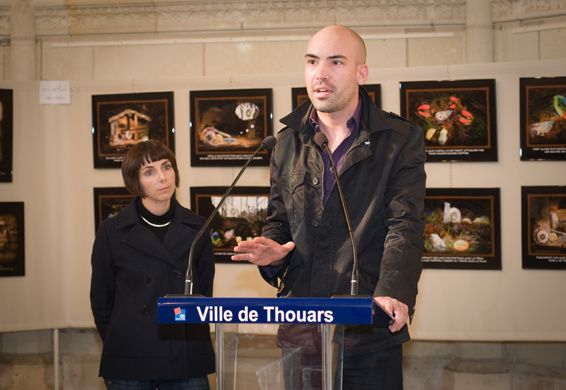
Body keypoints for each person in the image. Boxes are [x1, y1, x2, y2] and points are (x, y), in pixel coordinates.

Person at [232, 24, 426, 389]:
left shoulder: (399, 140)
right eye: (312, 62)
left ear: (361, 72)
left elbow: (405, 226)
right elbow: (280, 224)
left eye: (335, 62)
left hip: (368, 329)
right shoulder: (286, 142)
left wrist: (394, 289)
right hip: (302, 333)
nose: (320, 74)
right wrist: (274, 252)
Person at [90, 140, 215, 390]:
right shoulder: (112, 231)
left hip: (185, 356)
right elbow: (101, 299)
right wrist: (122, 340)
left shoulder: (198, 227)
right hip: (131, 356)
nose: (163, 177)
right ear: (135, 183)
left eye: (166, 167)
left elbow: (203, 293)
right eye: (149, 172)